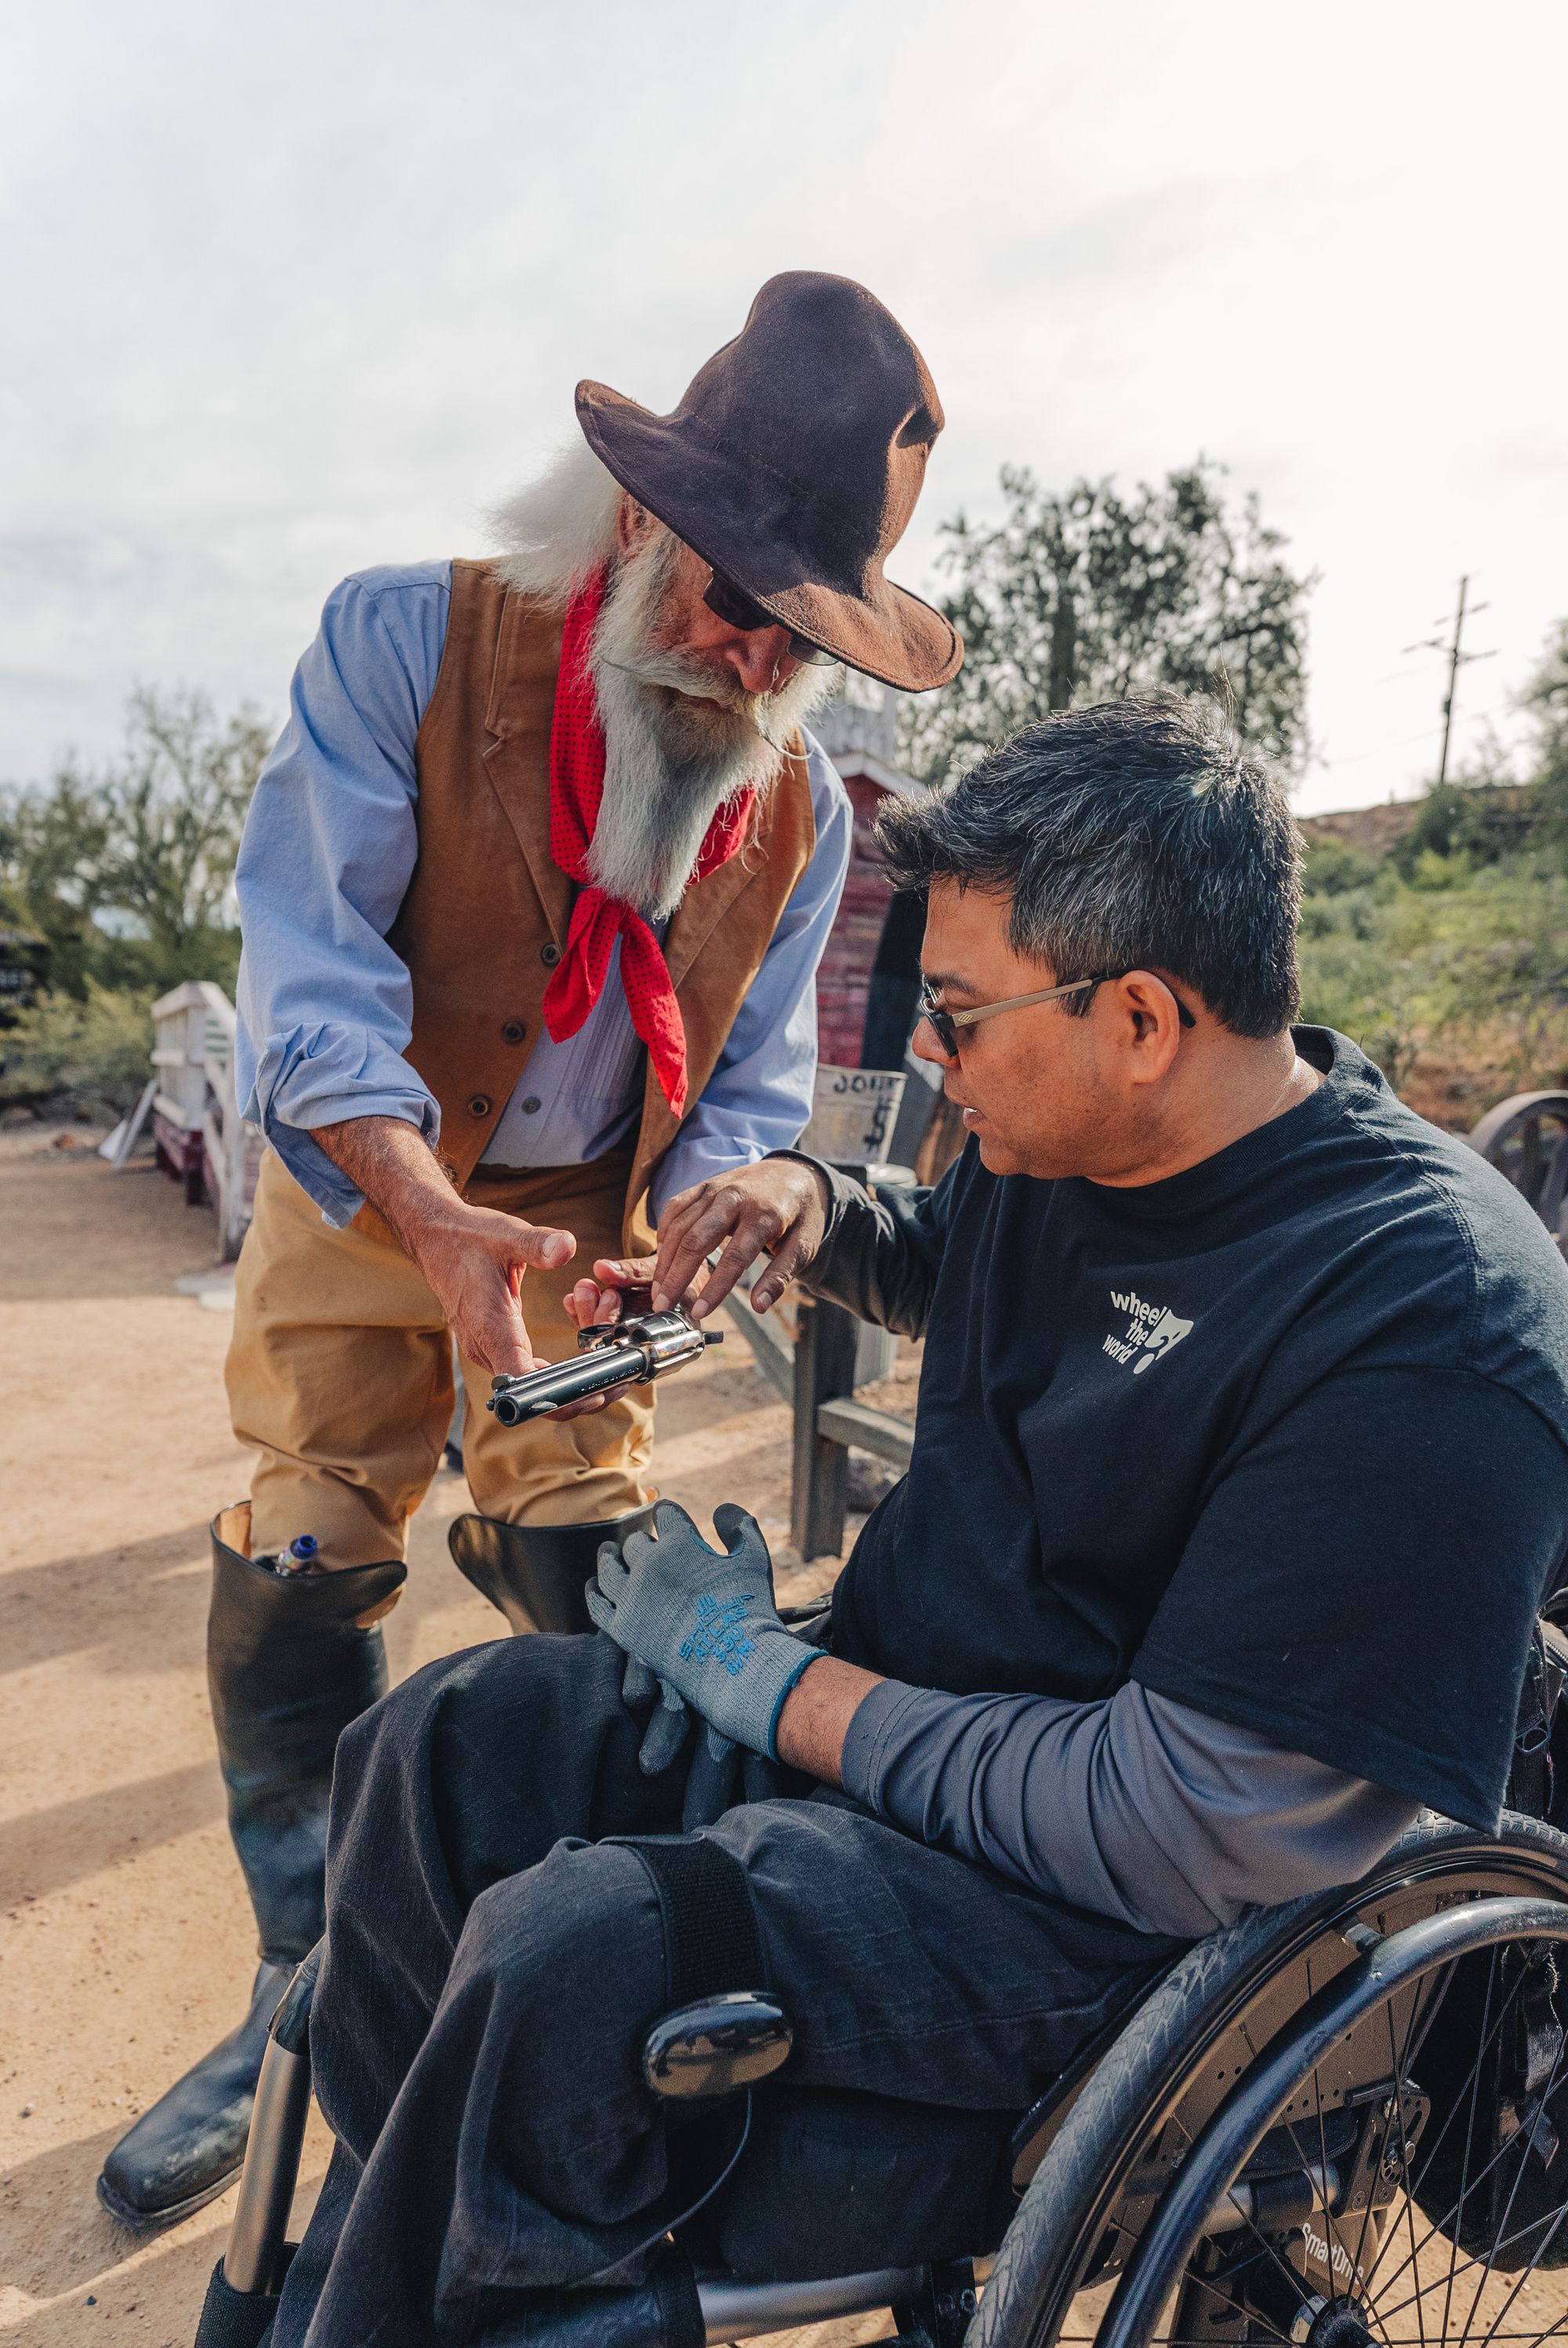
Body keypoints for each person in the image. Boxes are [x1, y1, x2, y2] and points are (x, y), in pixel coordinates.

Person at [264, 694, 1568, 2348]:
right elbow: (965, 1257)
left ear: (1146, 1018)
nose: (926, 1060)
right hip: (918, 1735)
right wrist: (811, 1207)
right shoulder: (1079, 1149)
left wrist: (770, 1686)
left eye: (954, 1016)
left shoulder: (1423, 1318)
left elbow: (1185, 1821)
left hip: (1112, 1905)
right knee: (442, 1746)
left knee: (570, 1952)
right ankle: (374, 2281)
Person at [100, 271, 964, 2229]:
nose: (750, 662)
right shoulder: (403, 642)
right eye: (737, 600)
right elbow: (307, 978)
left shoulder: (801, 801)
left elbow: (748, 1075)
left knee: (594, 1555)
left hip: (584, 1234)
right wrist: (417, 1202)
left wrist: (706, 1207)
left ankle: (534, 1967)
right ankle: (298, 1984)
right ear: (644, 526)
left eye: (798, 635)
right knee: (314, 1533)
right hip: (371, 1171)